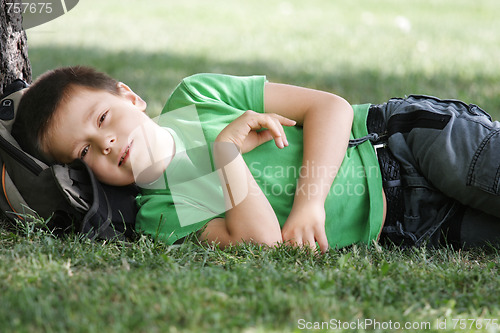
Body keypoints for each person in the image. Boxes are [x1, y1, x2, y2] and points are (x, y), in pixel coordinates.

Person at [12, 66, 500, 253]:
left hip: (401, 142)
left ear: (130, 97)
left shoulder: (195, 98)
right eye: (83, 152)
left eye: (103, 119)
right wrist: (226, 154)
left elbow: (327, 107)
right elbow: (262, 240)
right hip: (409, 226)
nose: (107, 145)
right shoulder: (158, 215)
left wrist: (310, 204)